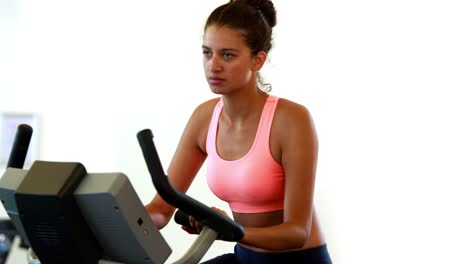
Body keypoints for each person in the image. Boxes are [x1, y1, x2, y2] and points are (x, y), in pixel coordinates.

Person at [145, 0, 332, 263]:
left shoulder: (291, 120)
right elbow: (161, 210)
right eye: (207, 52)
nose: (214, 65)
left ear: (258, 60)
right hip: (245, 257)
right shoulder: (204, 118)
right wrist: (110, 219)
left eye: (228, 55)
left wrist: (231, 229)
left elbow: (296, 232)